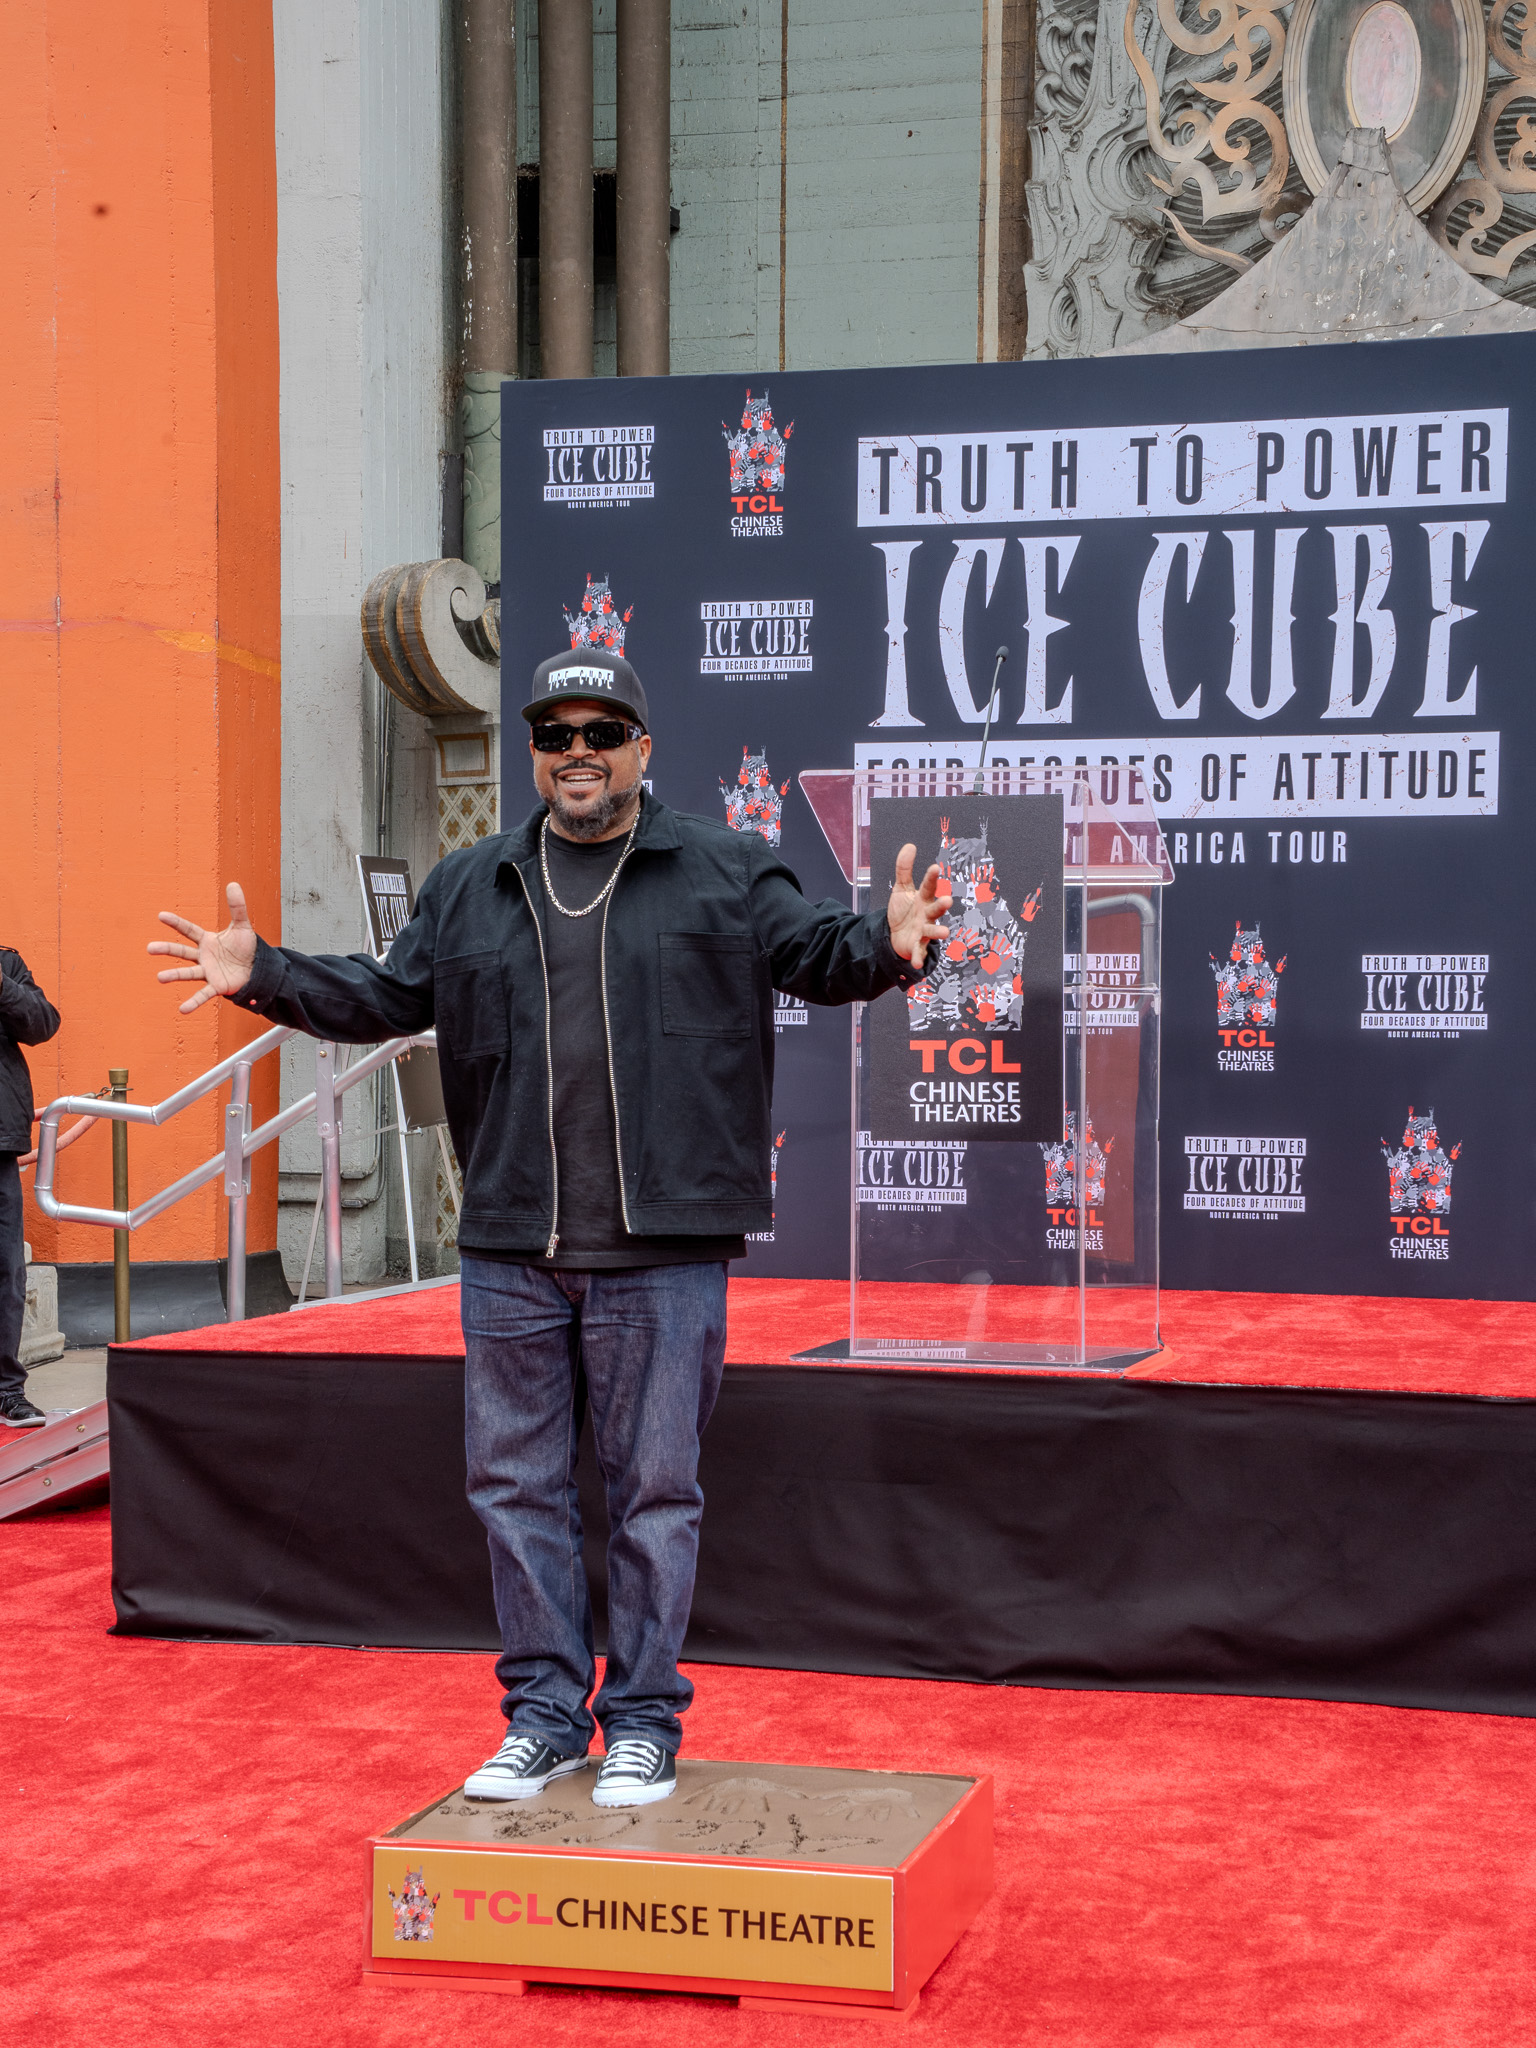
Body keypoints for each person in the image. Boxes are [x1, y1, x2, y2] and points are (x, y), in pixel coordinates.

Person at [148, 648, 951, 1807]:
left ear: (642, 748)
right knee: (513, 1491)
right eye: (556, 734)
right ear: (536, 751)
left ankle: (642, 1721)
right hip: (513, 1247)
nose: (578, 752)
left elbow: (820, 952)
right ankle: (539, 1717)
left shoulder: (723, 866)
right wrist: (265, 972)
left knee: (652, 1495)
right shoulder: (472, 882)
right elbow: (388, 996)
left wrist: (889, 943)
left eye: (602, 730)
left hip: (662, 1252)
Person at [0, 946, 61, 1427]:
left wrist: (2, 986)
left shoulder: (7, 963)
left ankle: (7, 1391)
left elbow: (42, 1024)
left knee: (6, 1273)